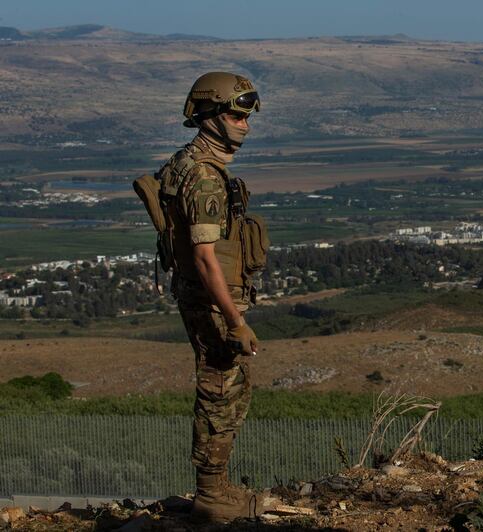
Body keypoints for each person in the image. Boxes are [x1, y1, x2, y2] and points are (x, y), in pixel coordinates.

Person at [154, 72, 270, 522]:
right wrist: (234, 318)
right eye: (237, 115)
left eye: (246, 115)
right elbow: (205, 259)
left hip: (204, 295)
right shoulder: (204, 177)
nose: (245, 124)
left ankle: (216, 486)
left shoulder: (188, 163)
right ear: (209, 115)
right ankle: (211, 495)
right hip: (212, 300)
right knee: (221, 389)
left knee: (228, 388)